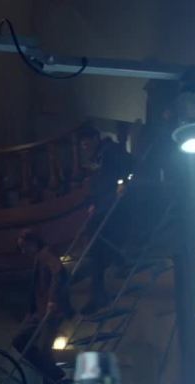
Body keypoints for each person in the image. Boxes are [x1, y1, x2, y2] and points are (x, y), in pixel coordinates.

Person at [13, 229, 71, 384]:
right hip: (39, 312)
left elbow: (59, 273)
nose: (23, 251)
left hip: (49, 312)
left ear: (33, 242)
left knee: (44, 352)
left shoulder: (46, 254)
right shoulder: (40, 257)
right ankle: (53, 375)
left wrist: (52, 300)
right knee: (21, 342)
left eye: (24, 246)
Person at [76, 126, 128, 314]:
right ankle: (118, 262)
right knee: (96, 249)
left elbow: (123, 170)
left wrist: (122, 184)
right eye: (83, 145)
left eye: (86, 143)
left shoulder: (109, 151)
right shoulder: (100, 156)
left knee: (97, 247)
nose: (85, 147)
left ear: (95, 138)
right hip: (104, 206)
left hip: (112, 207)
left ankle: (119, 262)